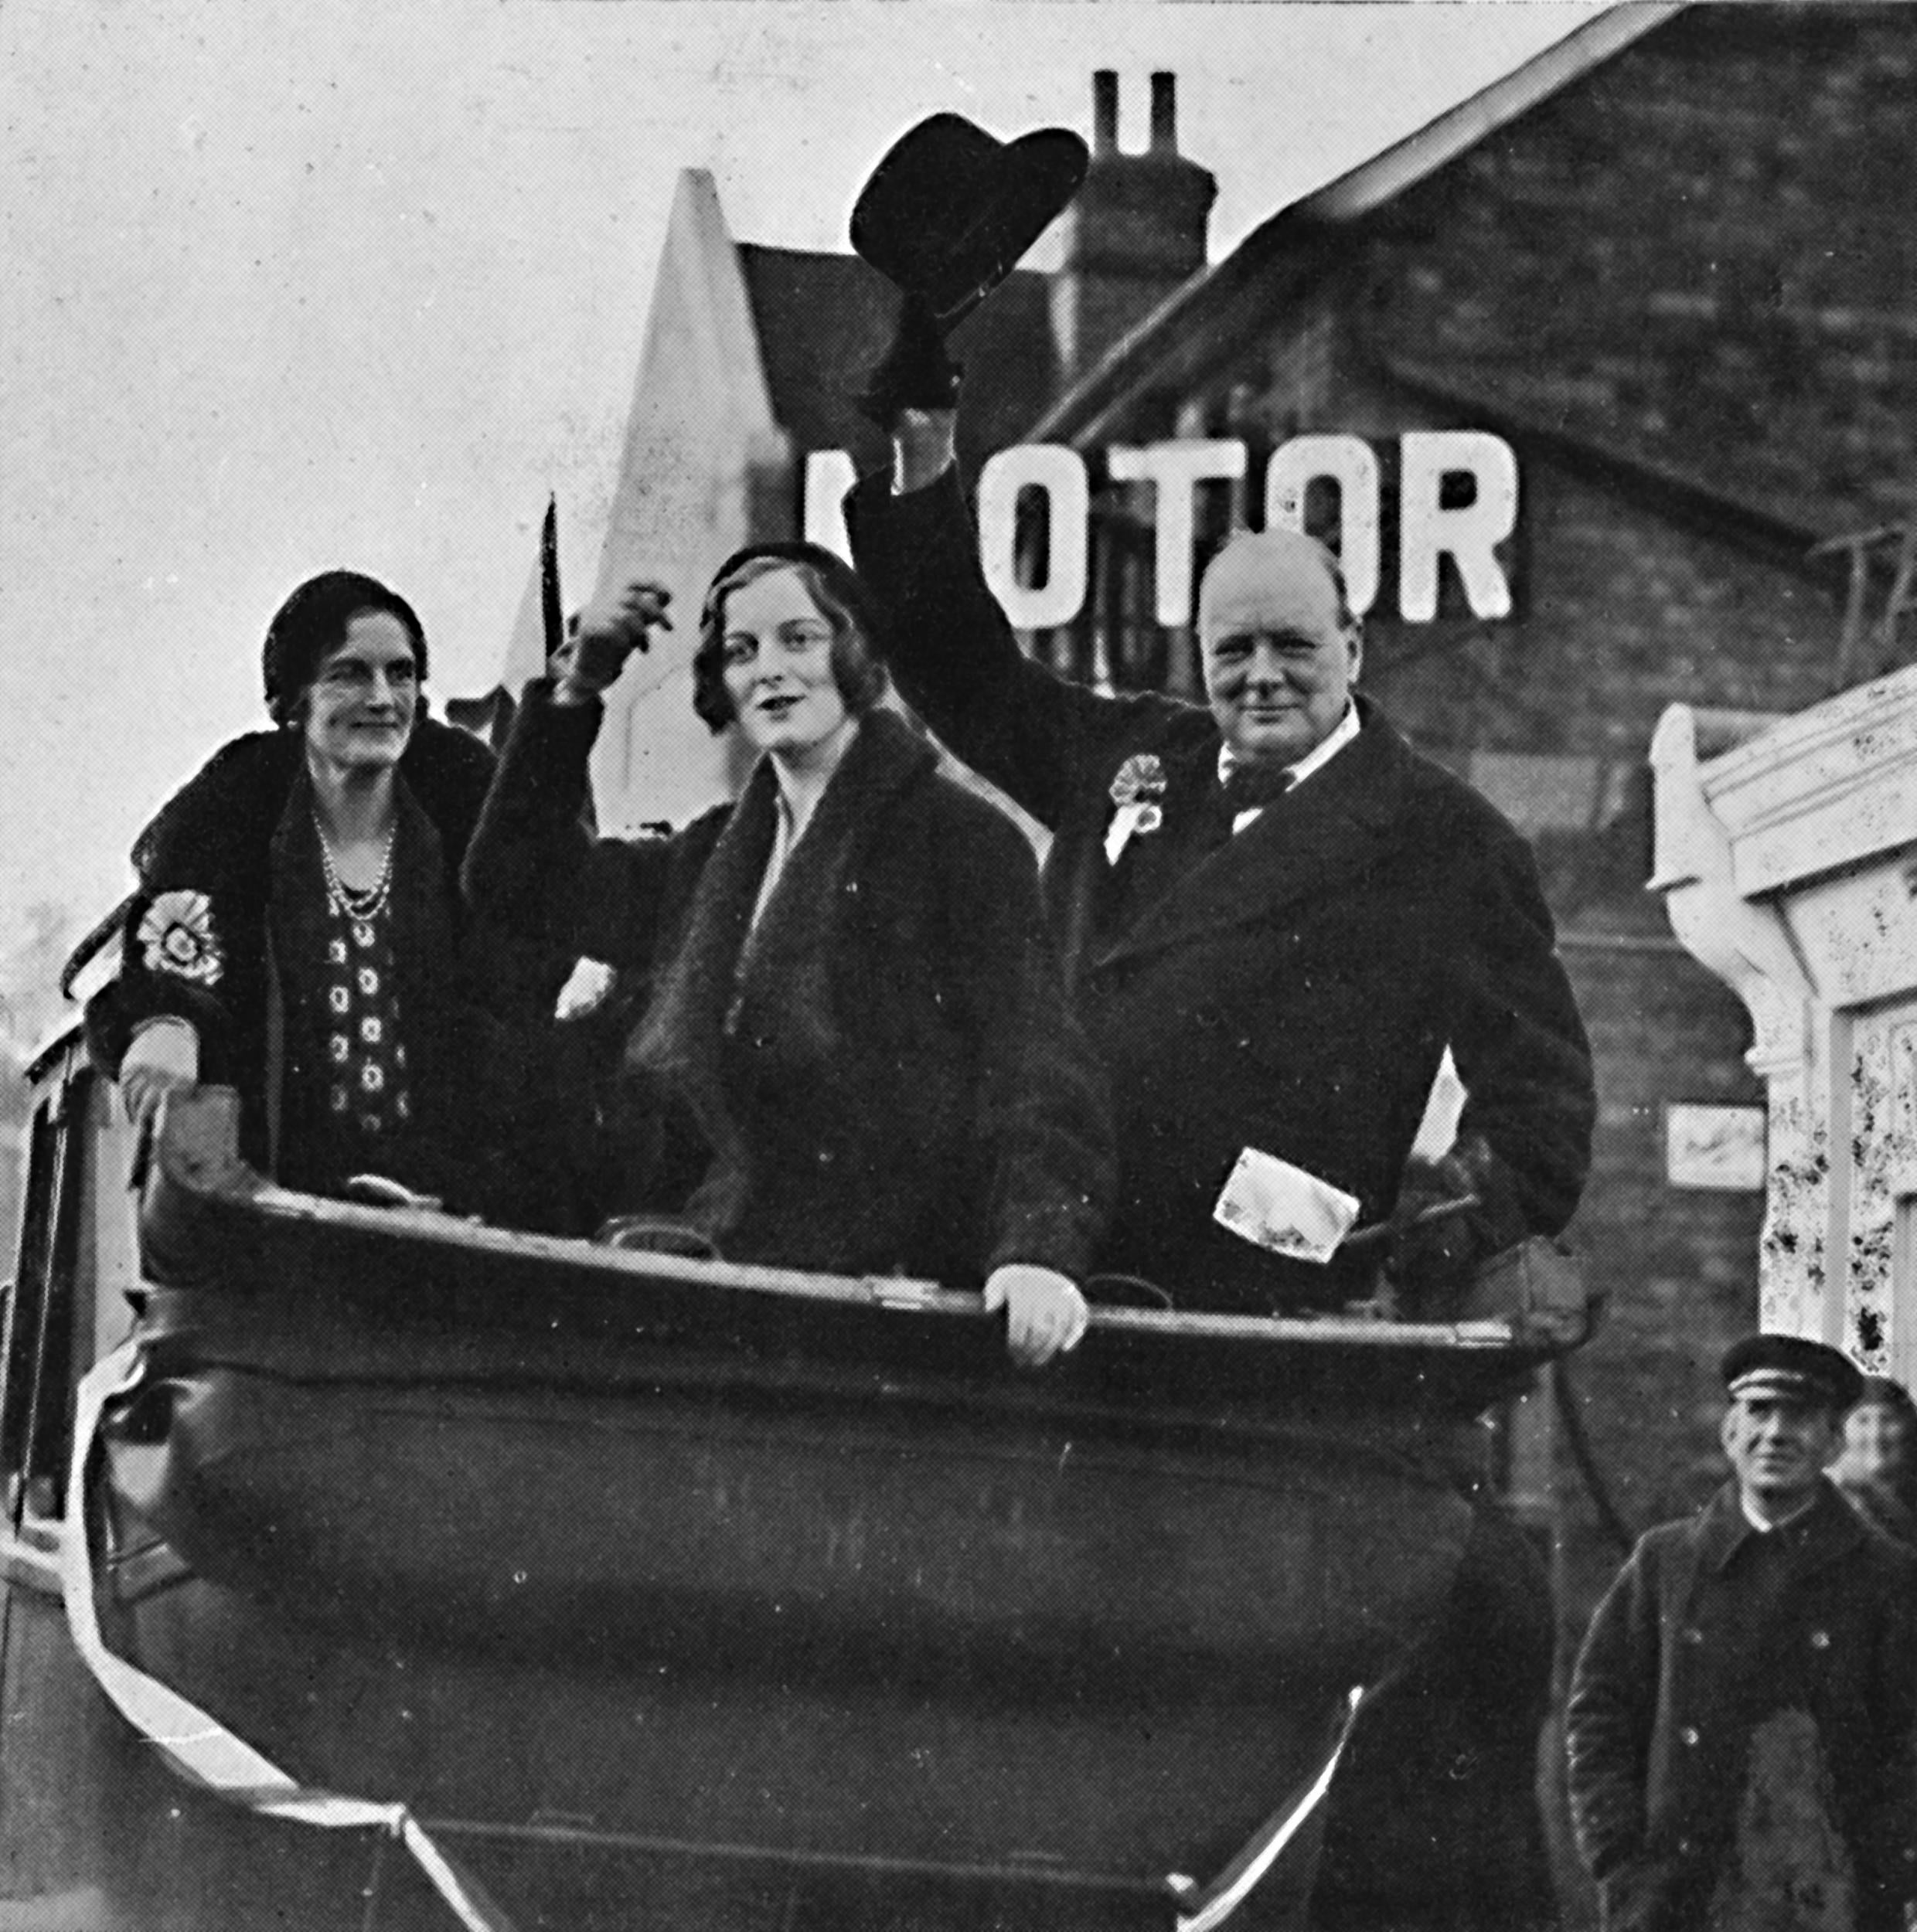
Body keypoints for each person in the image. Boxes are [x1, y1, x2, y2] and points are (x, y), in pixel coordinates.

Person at [842, 304, 1595, 1930]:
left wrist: (1389, 1234)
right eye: (1229, 651)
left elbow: (1542, 1116)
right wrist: (918, 461)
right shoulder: (1138, 767)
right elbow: (959, 663)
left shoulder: (1444, 840)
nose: (1256, 677)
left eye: (1289, 648)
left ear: (1355, 655)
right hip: (1045, 1280)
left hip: (1245, 1326)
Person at [463, 545, 1113, 1367]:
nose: (769, 669)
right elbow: (515, 885)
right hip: (704, 1280)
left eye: (798, 638)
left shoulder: (961, 842)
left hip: (871, 1307)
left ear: (853, 654)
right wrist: (576, 689)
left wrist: (1038, 1251)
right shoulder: (708, 857)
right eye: (741, 651)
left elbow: (1036, 1061)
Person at [87, 570, 565, 1220]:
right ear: (296, 698)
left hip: (452, 1216)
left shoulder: (464, 800)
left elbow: (531, 958)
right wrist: (166, 1026)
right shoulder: (235, 807)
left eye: (401, 674)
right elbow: (174, 942)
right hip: (272, 1215)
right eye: (349, 673)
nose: (381, 697)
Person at [1566, 1335, 1917, 1932]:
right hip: (1679, 1900)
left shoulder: (1886, 1575)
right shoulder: (1666, 1563)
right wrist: (1622, 1860)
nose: (1776, 1434)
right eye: (1758, 1412)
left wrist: (1884, 1873)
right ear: (1730, 1433)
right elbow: (1601, 1715)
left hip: (1830, 1902)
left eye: (1801, 1417)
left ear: (1834, 1442)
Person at [1831, 1372, 1917, 1549]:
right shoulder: (1824, 1500)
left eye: (1888, 1420)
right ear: (1841, 1432)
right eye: (1863, 1421)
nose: (1876, 1435)